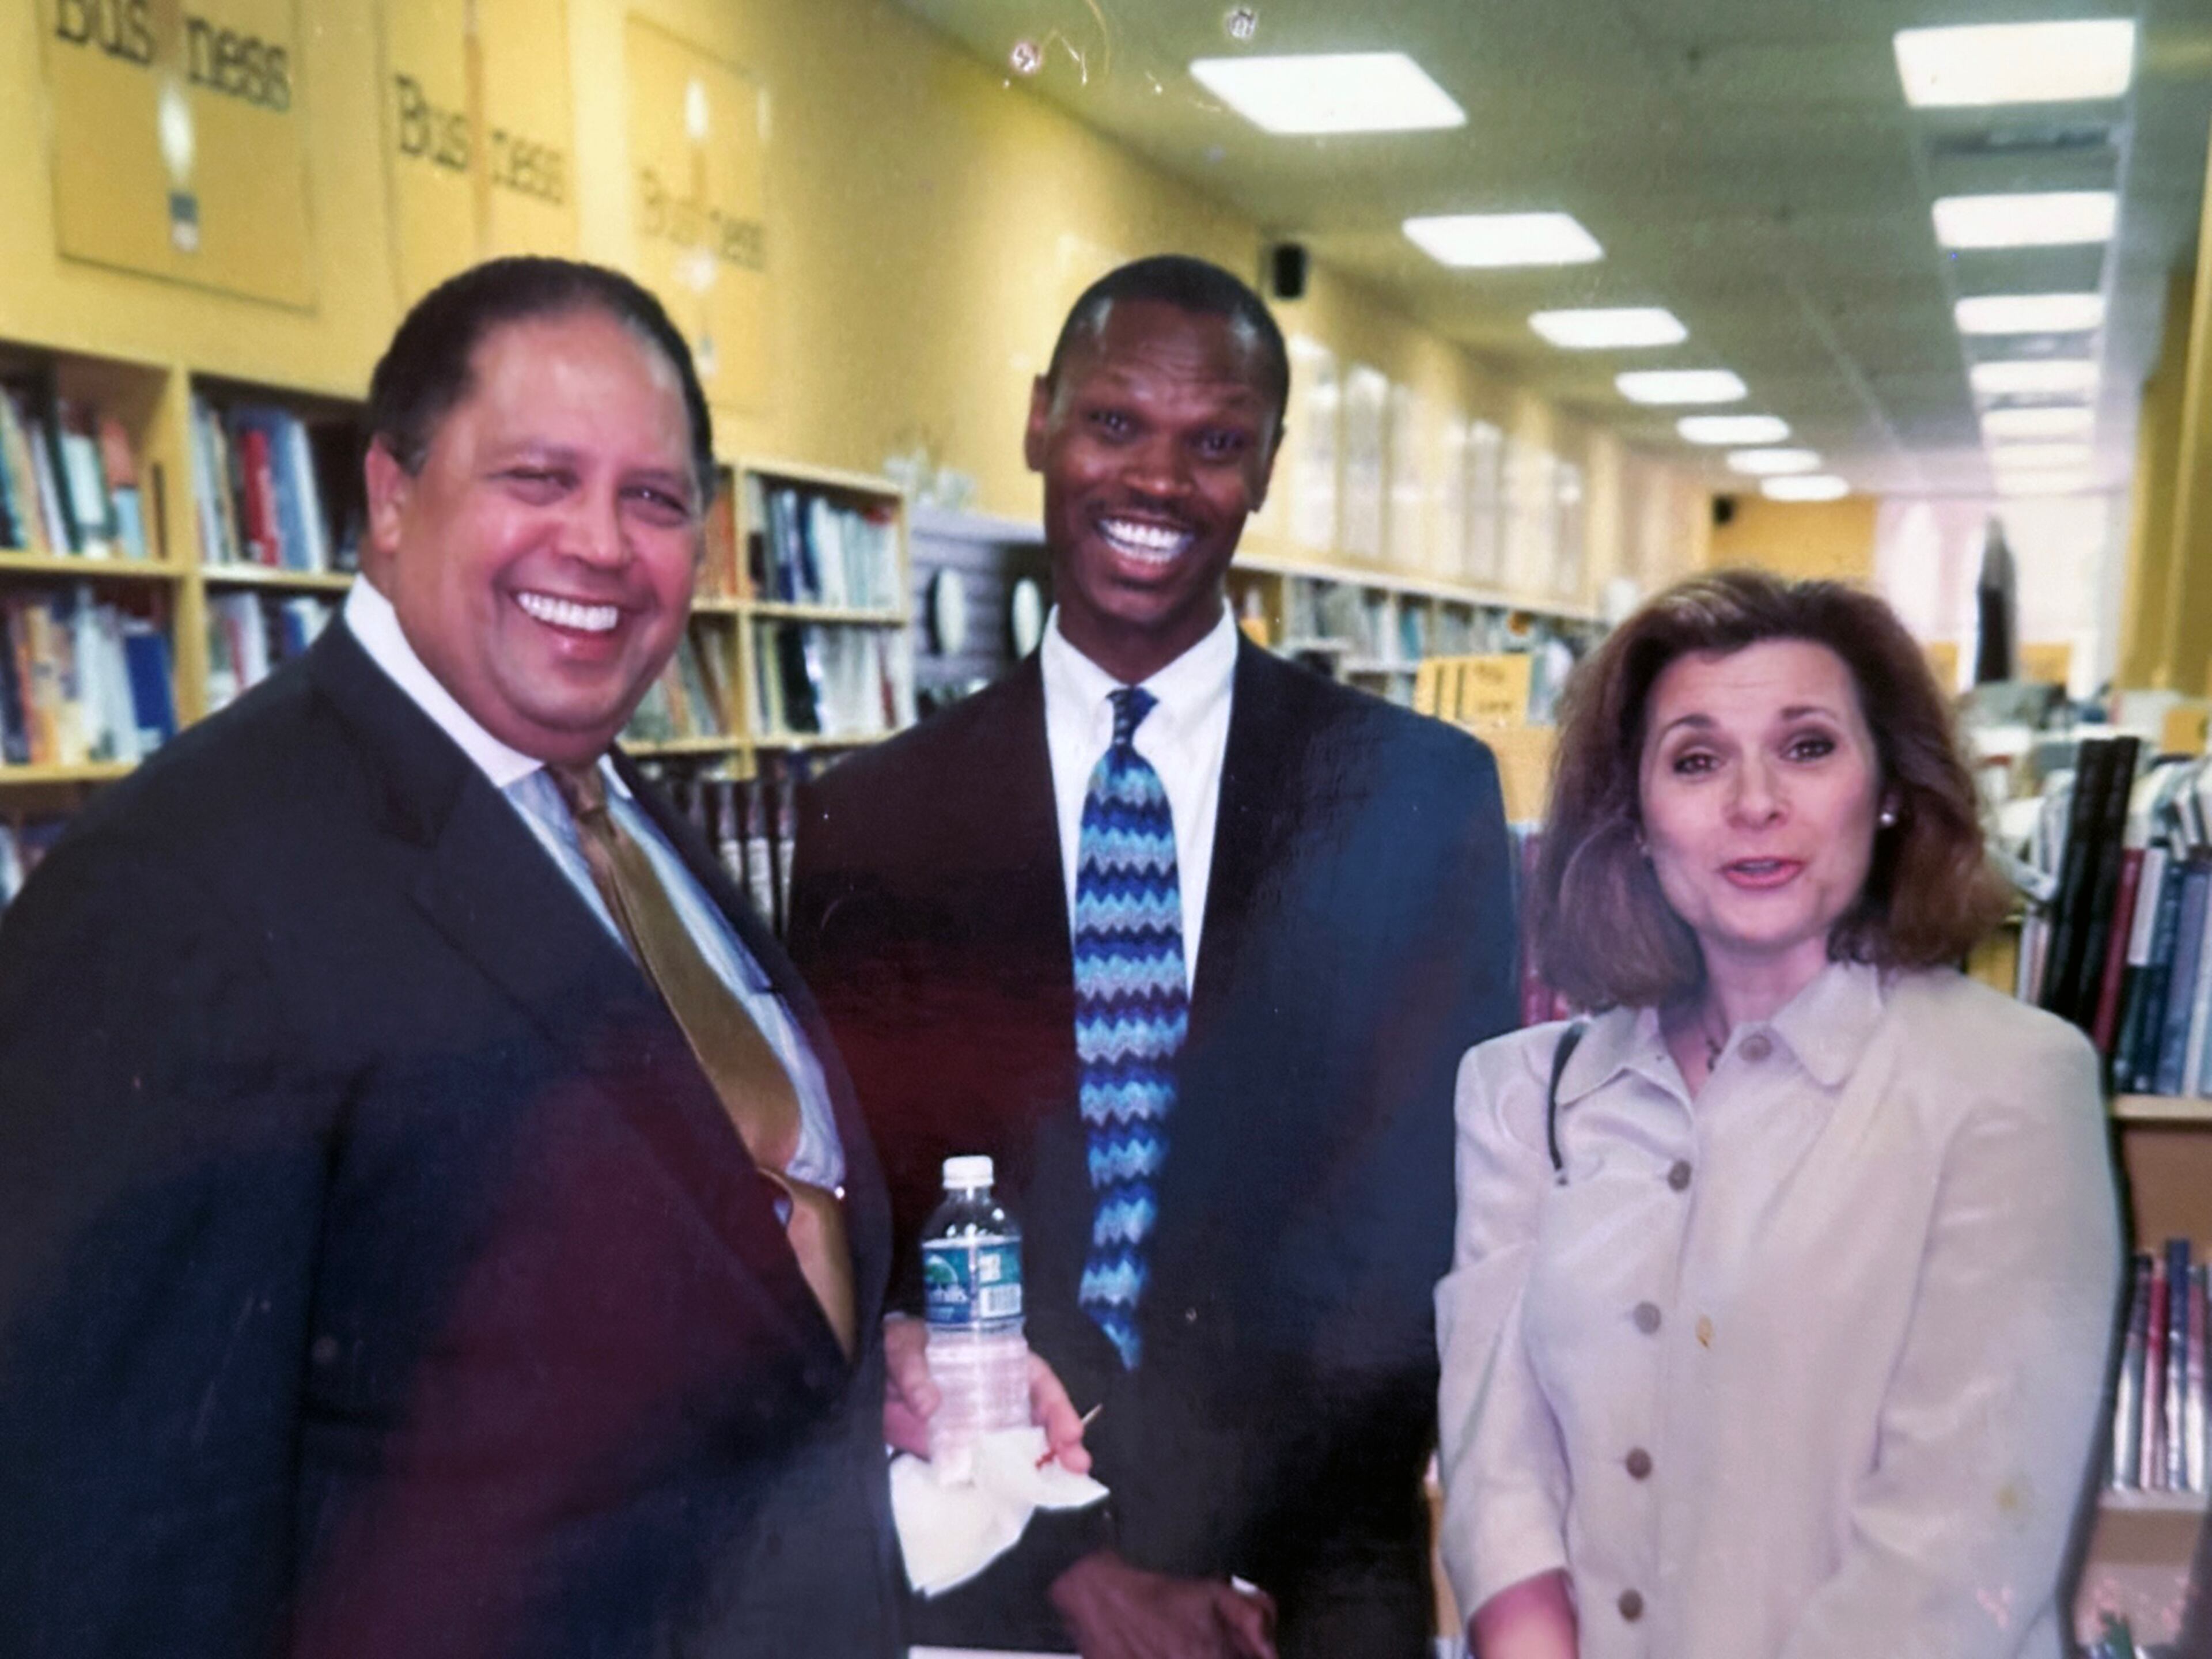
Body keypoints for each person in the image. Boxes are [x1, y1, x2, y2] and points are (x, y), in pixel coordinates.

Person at [0, 258, 901, 1658]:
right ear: (389, 497)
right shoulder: (176, 890)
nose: (601, 544)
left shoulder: (615, 814)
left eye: (655, 499)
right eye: (538, 478)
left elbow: (690, 1276)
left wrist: (874, 1357)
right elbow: (120, 1542)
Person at [786, 253, 1520, 1658]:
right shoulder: (875, 820)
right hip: (985, 1560)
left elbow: (1432, 1229)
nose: (1159, 481)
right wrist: (1068, 1559)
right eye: (1116, 423)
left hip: (1308, 1584)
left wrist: (1233, 1558)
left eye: (1217, 443)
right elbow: (862, 1245)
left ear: (1268, 467)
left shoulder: (1413, 798)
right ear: (1040, 422)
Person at [1435, 569, 2122, 1659]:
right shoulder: (1524, 1094)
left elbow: (1955, 1556)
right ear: (1635, 818)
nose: (1755, 803)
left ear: (1889, 789)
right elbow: (1497, 1479)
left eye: (1807, 747)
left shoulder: (2011, 1086)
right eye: (1696, 760)